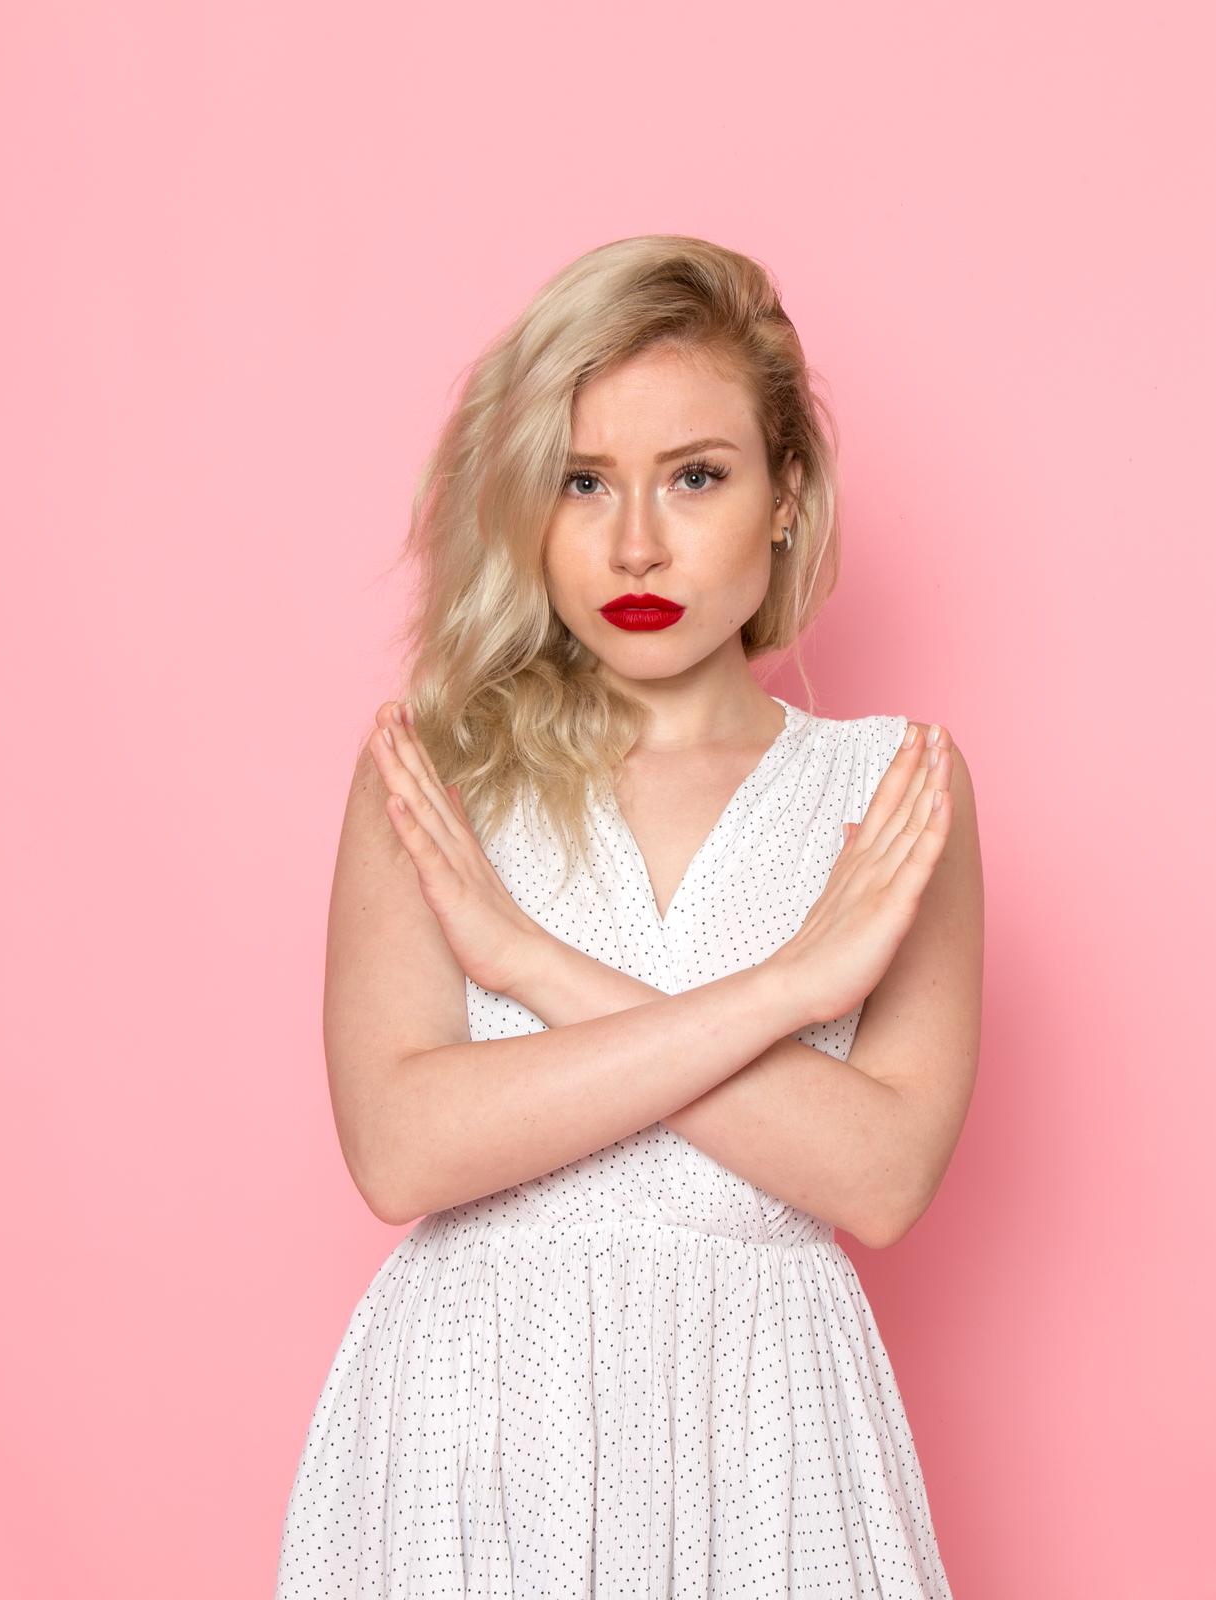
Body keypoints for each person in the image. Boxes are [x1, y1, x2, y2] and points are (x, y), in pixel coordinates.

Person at [275, 234, 982, 1598]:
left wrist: (531, 966)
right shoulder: (439, 772)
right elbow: (406, 1152)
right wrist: (785, 991)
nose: (636, 542)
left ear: (785, 495)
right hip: (475, 1424)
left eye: (697, 476)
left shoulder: (892, 791)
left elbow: (881, 1179)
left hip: (769, 1423)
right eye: (582, 481)